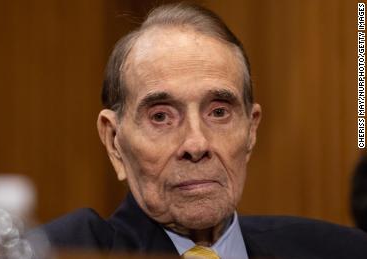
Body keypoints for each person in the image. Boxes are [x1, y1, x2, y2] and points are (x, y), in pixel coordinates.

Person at [43, 3, 367, 258]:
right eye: (160, 117)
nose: (196, 144)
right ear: (114, 142)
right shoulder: (56, 252)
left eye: (219, 112)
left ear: (251, 130)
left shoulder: (345, 251)